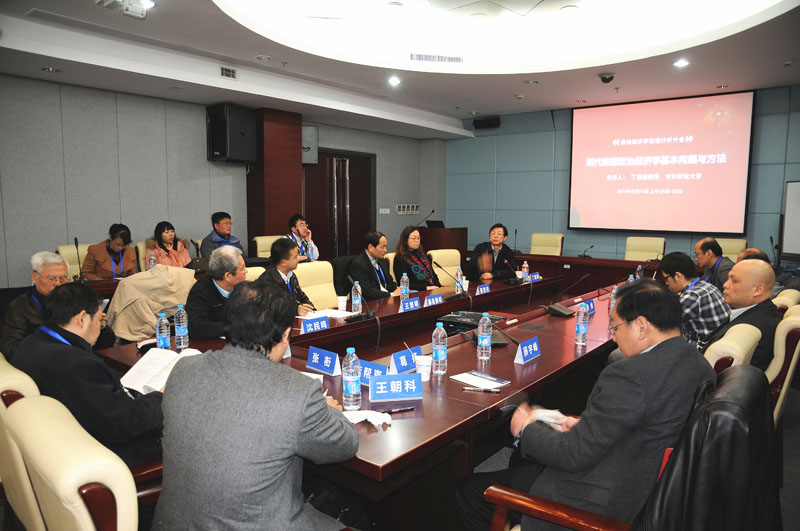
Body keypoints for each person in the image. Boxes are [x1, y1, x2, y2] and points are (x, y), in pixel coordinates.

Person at [456, 279, 715, 531]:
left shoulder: (630, 374)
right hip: (640, 480)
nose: (614, 337)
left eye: (616, 327)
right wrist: (585, 425)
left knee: (470, 491)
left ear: (640, 326)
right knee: (520, 459)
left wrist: (525, 427)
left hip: (599, 497)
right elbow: (642, 421)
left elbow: (572, 454)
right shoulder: (698, 364)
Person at [153, 283, 358, 530]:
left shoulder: (183, 368)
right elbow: (346, 445)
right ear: (286, 335)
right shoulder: (298, 391)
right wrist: (330, 411)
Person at [11, 282, 163, 468]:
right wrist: (163, 396)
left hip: (62, 444)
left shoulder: (33, 343)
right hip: (105, 456)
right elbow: (124, 423)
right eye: (99, 321)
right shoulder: (74, 363)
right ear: (82, 319)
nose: (100, 327)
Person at [699, 259, 781, 371]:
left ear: (758, 290)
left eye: (734, 281)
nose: (725, 285)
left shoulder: (754, 328)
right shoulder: (757, 313)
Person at [0, 252, 70, 360]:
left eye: (63, 278)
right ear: (34, 277)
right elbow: (10, 347)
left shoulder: (75, 301)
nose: (58, 283)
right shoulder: (19, 307)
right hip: (42, 361)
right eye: (51, 278)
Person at [658, 251, 730, 344]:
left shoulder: (692, 296)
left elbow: (662, 324)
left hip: (705, 348)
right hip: (718, 342)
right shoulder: (706, 286)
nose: (666, 283)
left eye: (666, 278)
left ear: (678, 276)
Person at [185, 246, 246, 339]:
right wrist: (236, 327)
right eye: (242, 268)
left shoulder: (242, 287)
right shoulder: (200, 292)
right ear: (228, 276)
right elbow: (197, 327)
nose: (246, 271)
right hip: (213, 344)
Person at [256, 238, 315, 315]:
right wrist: (296, 310)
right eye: (295, 257)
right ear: (283, 262)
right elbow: (273, 309)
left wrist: (313, 310)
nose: (298, 259)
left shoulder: (291, 275)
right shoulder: (267, 281)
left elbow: (302, 297)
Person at [349, 231, 400, 300]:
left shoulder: (381, 260)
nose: (385, 250)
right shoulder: (358, 264)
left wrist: (398, 289)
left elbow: (389, 282)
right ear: (371, 247)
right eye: (382, 247)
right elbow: (366, 291)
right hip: (371, 302)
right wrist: (391, 294)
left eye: (386, 246)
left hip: (385, 299)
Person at [393, 225, 441, 291]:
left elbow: (432, 273)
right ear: (405, 240)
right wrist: (425, 288)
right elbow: (404, 284)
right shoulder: (400, 258)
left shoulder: (422, 254)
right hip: (417, 292)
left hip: (432, 289)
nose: (417, 241)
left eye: (418, 238)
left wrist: (438, 286)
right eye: (414, 238)